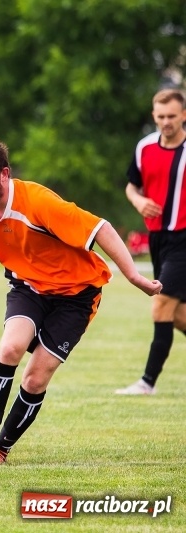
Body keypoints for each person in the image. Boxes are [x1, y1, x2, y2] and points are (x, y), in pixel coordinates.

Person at [0, 136, 162, 465]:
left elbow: (101, 228)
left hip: (76, 296)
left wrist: (134, 275)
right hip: (29, 289)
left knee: (36, 377)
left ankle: (1, 449)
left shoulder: (37, 201)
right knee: (9, 349)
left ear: (4, 174)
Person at [116, 88, 186, 396]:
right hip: (158, 239)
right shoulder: (144, 147)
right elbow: (132, 187)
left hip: (184, 239)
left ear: (183, 115)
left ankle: (147, 382)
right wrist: (139, 201)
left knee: (160, 305)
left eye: (172, 116)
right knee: (177, 314)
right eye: (161, 116)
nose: (166, 122)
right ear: (154, 116)